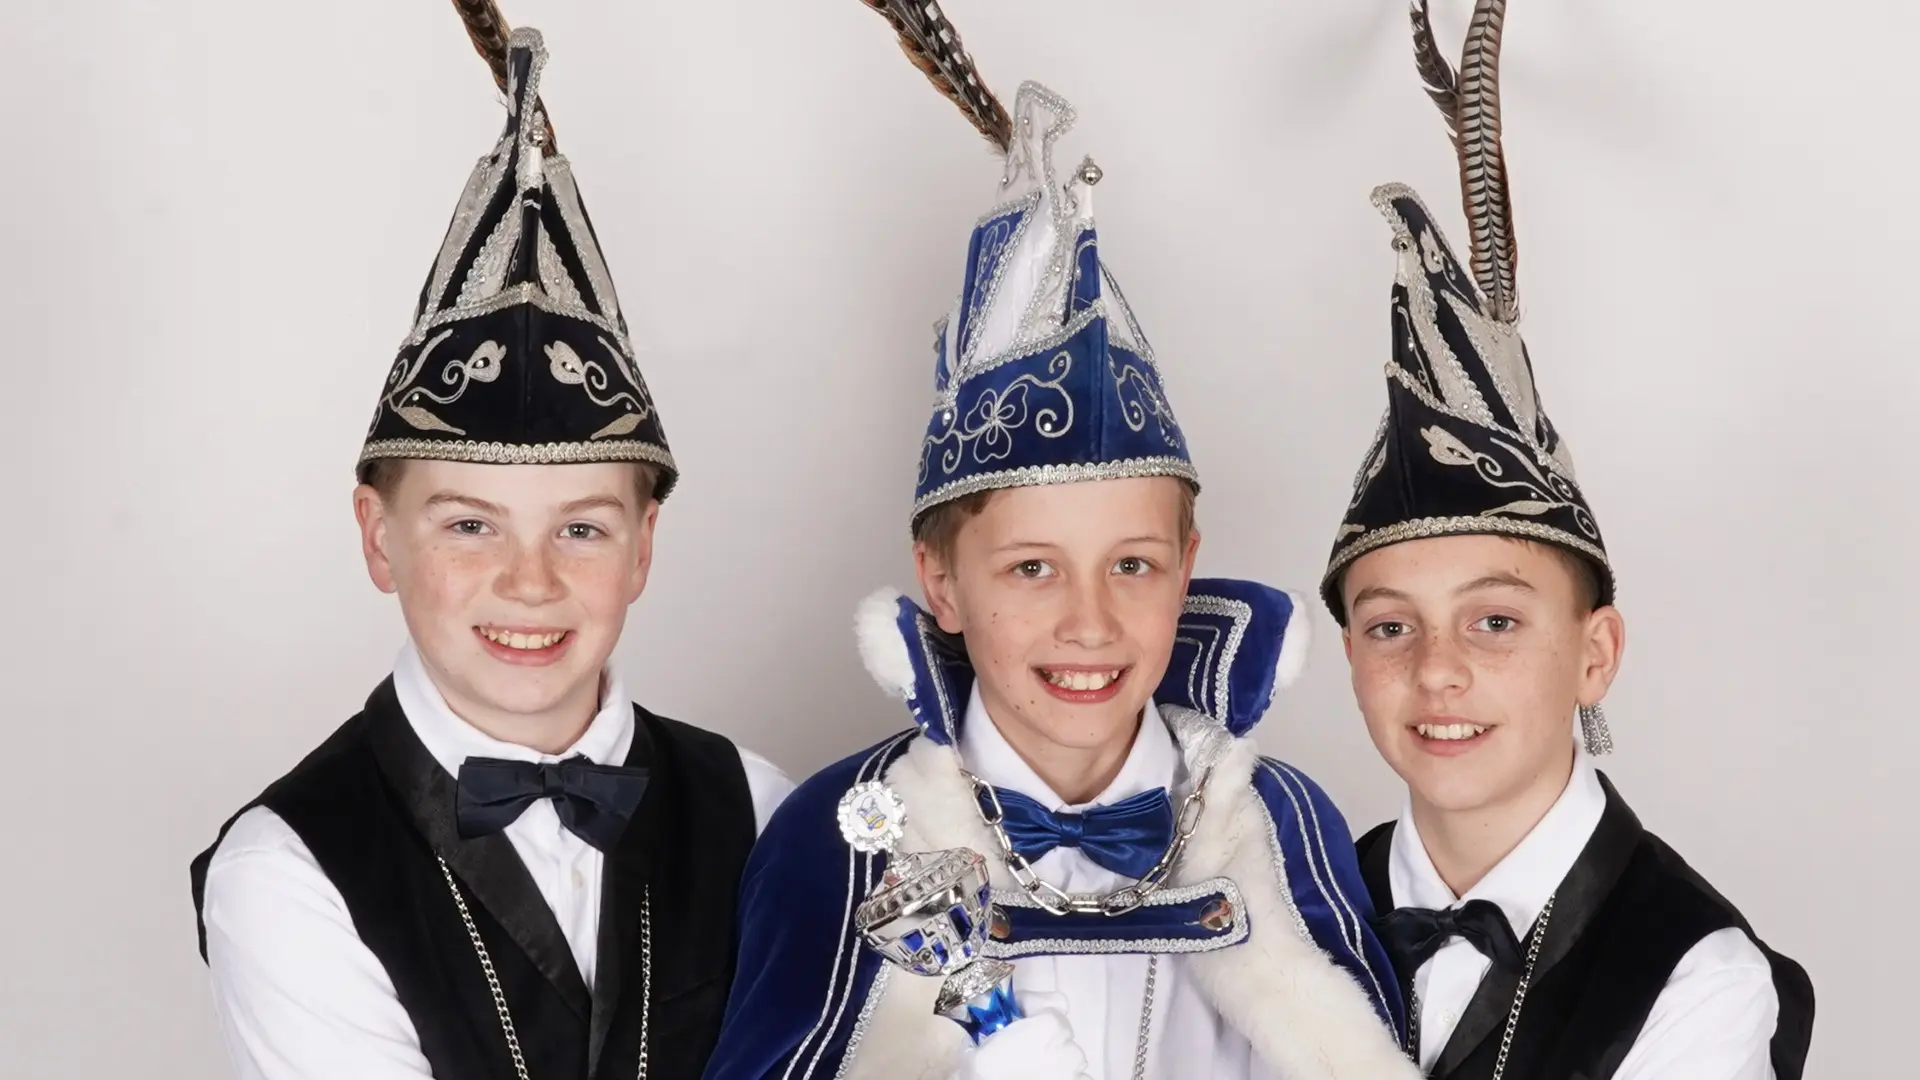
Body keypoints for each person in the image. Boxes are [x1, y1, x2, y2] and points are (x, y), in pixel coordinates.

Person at [701, 4, 1419, 1079]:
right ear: (941, 582)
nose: (1090, 622)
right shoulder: (841, 834)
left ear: (1187, 568)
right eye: (1032, 568)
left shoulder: (1281, 825)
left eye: (1133, 565)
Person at [188, 13, 791, 1080]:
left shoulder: (757, 804)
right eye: (469, 525)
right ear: (379, 537)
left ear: (643, 547)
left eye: (582, 528)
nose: (530, 581)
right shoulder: (287, 868)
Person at [1320, 4, 1816, 1078]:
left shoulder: (1699, 981)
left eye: (1495, 621)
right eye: (1391, 626)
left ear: (1596, 654)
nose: (1437, 671)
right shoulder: (1294, 911)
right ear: (1350, 656)